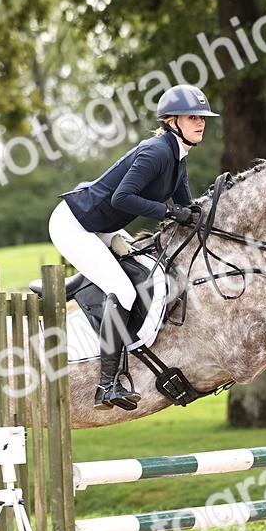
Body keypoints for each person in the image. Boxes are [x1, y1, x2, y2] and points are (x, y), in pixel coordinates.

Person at [50, 84, 219, 410]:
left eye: (203, 117)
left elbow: (188, 209)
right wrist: (170, 212)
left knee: (140, 262)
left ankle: (64, 287)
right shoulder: (157, 151)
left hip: (102, 227)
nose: (200, 123)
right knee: (124, 291)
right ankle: (106, 385)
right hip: (76, 225)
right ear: (172, 121)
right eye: (192, 117)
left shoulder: (177, 157)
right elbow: (122, 198)